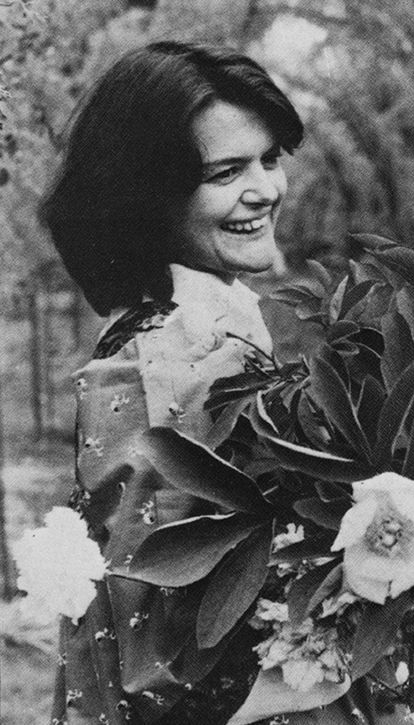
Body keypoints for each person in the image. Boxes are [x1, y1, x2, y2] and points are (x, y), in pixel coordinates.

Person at [40, 41, 305, 725]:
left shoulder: (219, 318)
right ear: (148, 198)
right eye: (226, 171)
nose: (264, 190)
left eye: (269, 159)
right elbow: (140, 634)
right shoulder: (157, 354)